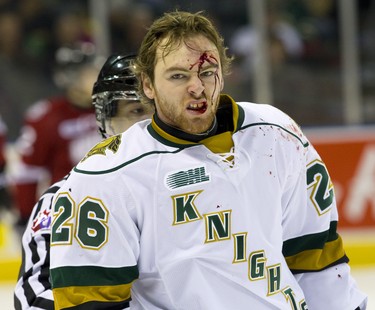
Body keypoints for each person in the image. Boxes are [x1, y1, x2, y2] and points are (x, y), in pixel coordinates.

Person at [49, 11, 368, 310]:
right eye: (177, 75)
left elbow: (318, 261)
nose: (197, 87)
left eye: (207, 71)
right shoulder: (107, 174)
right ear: (147, 85)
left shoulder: (276, 134)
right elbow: (88, 300)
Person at [14, 53, 153, 309]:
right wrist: (23, 214)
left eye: (156, 110)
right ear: (106, 118)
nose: (147, 123)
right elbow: (34, 295)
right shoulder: (61, 199)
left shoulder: (207, 179)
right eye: (135, 111)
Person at [11, 42, 103, 233]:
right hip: (64, 213)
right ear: (71, 77)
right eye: (89, 71)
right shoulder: (46, 117)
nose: (96, 75)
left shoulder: (114, 109)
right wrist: (27, 215)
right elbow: (28, 171)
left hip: (111, 203)